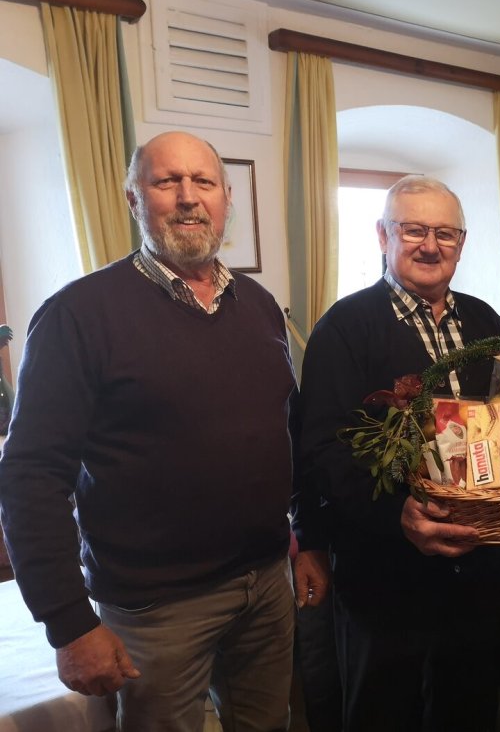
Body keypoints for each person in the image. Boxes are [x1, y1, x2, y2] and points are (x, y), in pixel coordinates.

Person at [0, 131, 298, 730]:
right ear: (134, 199)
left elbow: (285, 428)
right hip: (156, 607)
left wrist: (304, 538)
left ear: (226, 199)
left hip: (266, 583)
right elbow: (31, 477)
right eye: (167, 182)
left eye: (203, 182)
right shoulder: (78, 315)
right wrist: (69, 623)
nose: (188, 197)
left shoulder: (260, 305)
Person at [292, 175, 500, 731]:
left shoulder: (486, 322)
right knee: (383, 711)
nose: (430, 246)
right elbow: (322, 450)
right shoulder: (343, 328)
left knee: (468, 708)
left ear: (461, 244)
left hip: (476, 567)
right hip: (383, 572)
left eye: (445, 233)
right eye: (414, 230)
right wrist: (397, 515)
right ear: (383, 235)